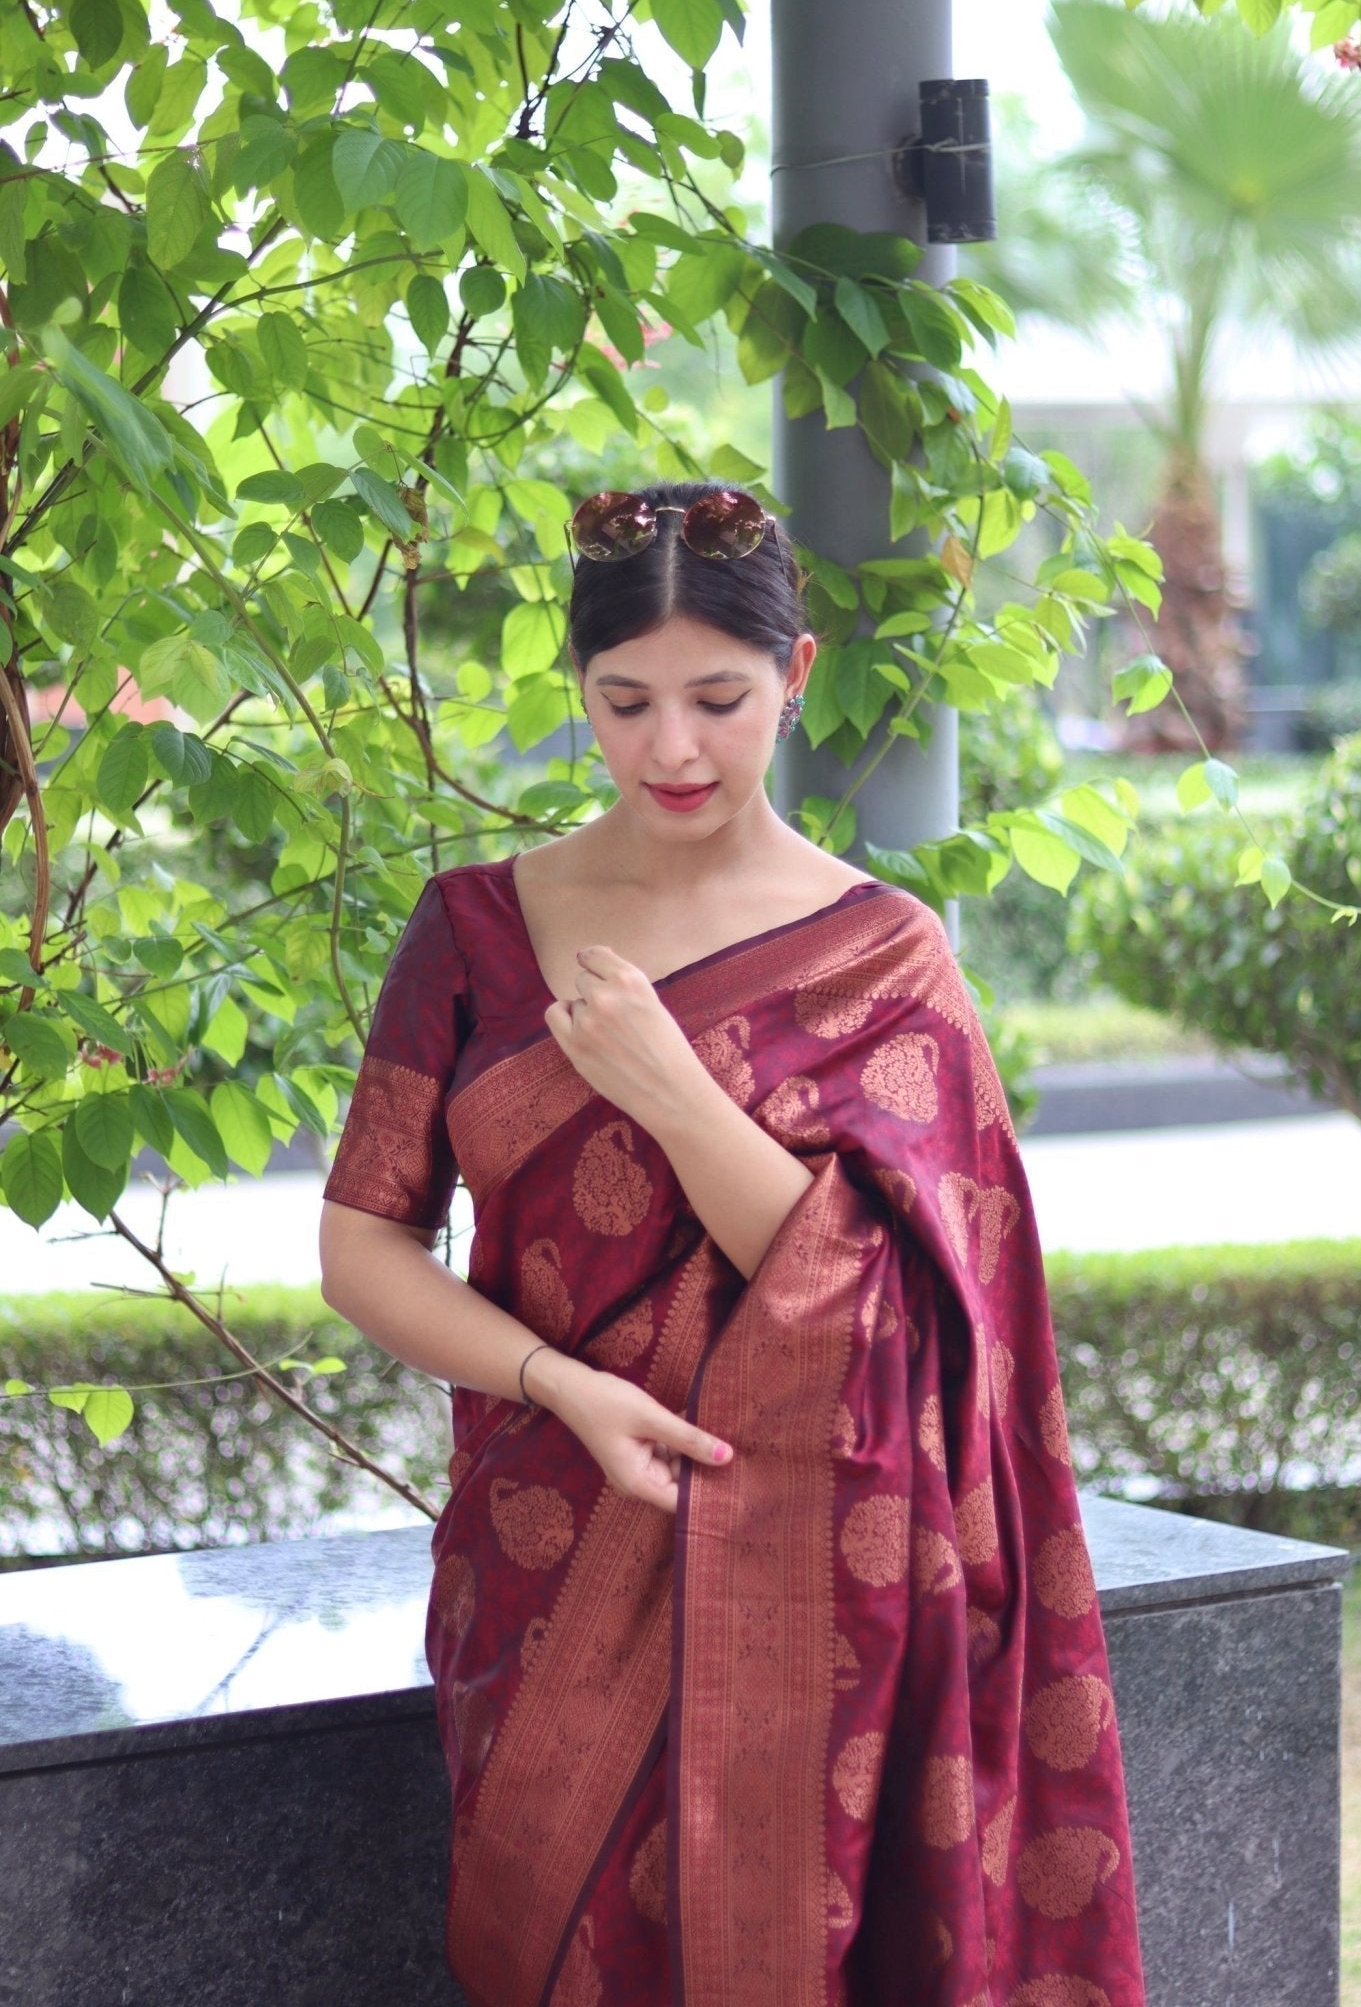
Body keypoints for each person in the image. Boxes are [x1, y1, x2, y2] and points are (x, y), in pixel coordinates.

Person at [317, 480, 1147, 2007]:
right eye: (623, 704)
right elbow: (362, 1243)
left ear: (797, 678)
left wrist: (674, 1094)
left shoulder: (885, 953)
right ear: (579, 691)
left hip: (826, 1560)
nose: (671, 749)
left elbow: (900, 1297)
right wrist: (557, 1386)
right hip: (547, 1538)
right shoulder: (474, 928)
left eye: (717, 698)